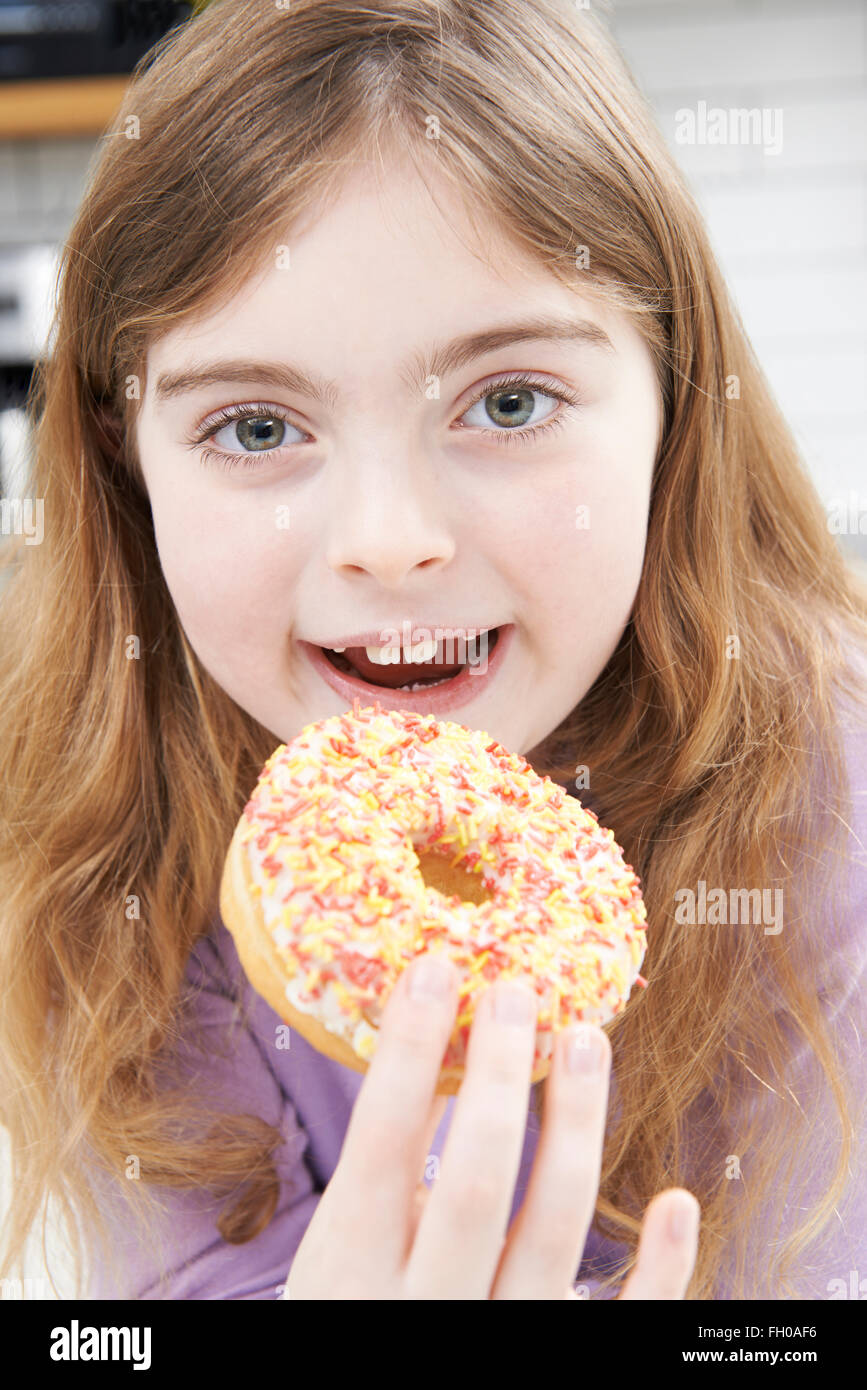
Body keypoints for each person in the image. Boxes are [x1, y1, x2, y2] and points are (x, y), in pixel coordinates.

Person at [1, 0, 864, 1301]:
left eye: (508, 402)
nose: (388, 542)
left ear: (674, 415)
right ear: (129, 467)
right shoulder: (92, 819)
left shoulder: (830, 808)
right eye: (252, 427)